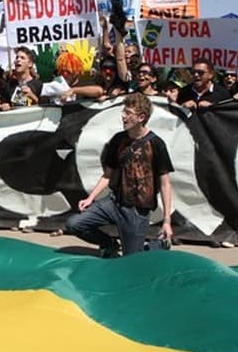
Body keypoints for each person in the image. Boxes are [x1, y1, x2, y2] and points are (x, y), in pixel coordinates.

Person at [64, 92, 174, 257]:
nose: (123, 116)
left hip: (137, 211)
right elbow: (107, 175)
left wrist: (167, 221)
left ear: (141, 117)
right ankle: (109, 244)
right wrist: (90, 198)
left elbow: (165, 184)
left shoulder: (156, 144)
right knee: (74, 224)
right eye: (123, 111)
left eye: (128, 113)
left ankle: (160, 244)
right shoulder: (118, 140)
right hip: (114, 202)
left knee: (132, 260)